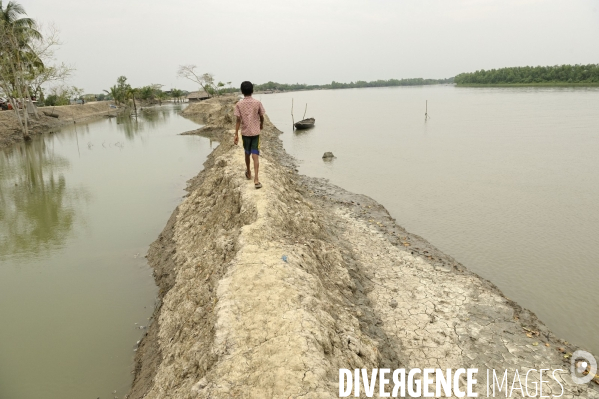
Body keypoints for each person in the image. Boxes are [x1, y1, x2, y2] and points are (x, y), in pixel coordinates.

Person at [234, 81, 265, 189]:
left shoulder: (239, 104)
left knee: (247, 153)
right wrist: (261, 124)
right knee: (255, 154)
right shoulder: (257, 102)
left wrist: (236, 134)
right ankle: (256, 179)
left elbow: (238, 120)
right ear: (252, 91)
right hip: (255, 133)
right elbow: (261, 116)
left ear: (242, 91)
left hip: (245, 133)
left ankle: (249, 172)